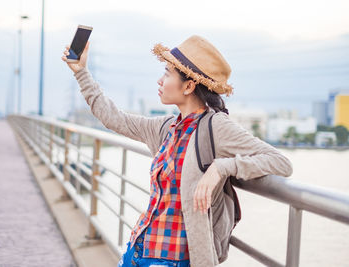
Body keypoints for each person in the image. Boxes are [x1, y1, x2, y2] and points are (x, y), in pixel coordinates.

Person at [62, 35, 293, 267]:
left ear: (189, 85)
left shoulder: (216, 127)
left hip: (172, 259)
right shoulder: (166, 127)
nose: (159, 81)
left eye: (167, 74)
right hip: (138, 249)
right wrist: (81, 72)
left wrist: (221, 167)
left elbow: (280, 162)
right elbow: (113, 118)